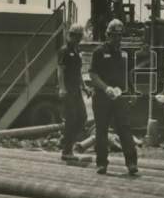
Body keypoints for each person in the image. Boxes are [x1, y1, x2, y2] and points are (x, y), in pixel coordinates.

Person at [89, 18, 138, 176]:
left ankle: (131, 163)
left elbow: (127, 75)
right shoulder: (99, 52)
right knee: (101, 131)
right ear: (108, 35)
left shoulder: (123, 54)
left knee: (124, 129)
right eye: (114, 36)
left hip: (120, 97)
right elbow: (93, 74)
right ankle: (102, 163)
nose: (117, 39)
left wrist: (132, 91)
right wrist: (105, 88)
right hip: (102, 98)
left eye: (119, 36)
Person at [57, 23, 87, 161]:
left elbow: (78, 72)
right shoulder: (64, 51)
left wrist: (84, 86)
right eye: (77, 36)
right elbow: (60, 71)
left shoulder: (76, 51)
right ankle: (67, 151)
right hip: (68, 89)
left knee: (82, 117)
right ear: (72, 35)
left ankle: (66, 140)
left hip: (76, 89)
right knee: (71, 119)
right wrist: (62, 88)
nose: (79, 39)